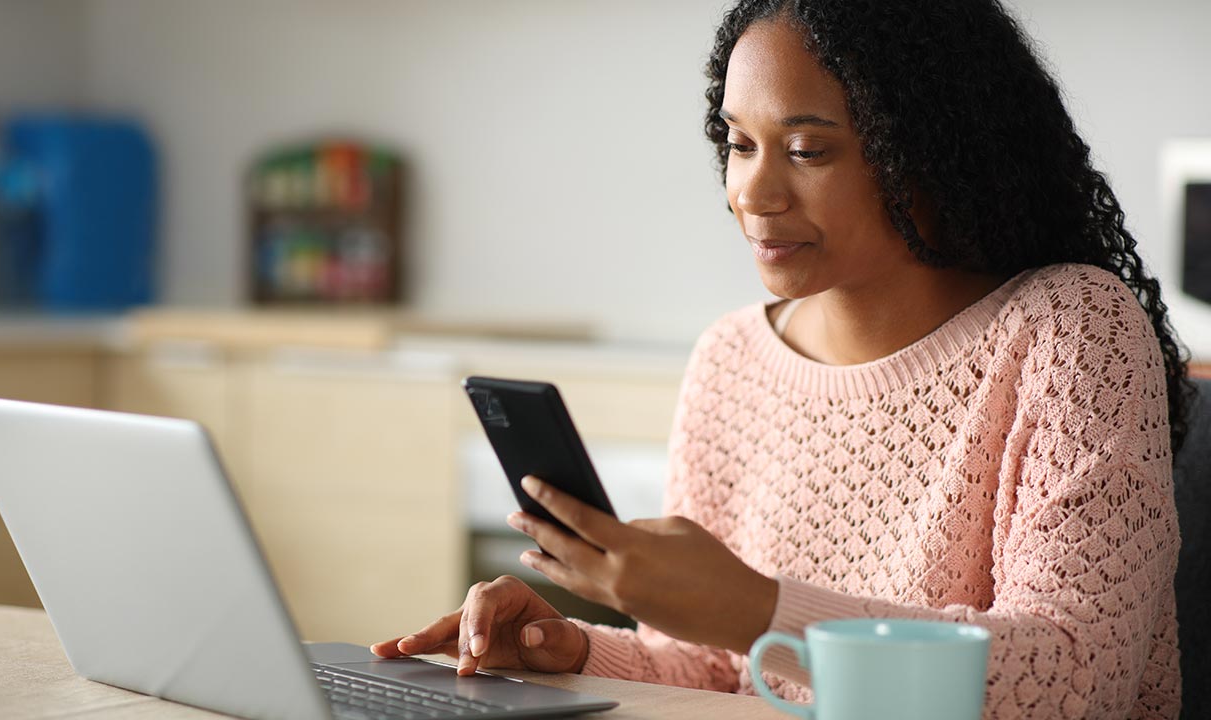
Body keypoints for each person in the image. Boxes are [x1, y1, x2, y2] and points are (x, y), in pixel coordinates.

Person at [373, 1, 1191, 717]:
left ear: (933, 153)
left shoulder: (1069, 327)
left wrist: (760, 610)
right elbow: (716, 672)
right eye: (738, 144)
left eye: (807, 150)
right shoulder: (731, 358)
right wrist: (573, 651)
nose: (751, 193)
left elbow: (1079, 680)